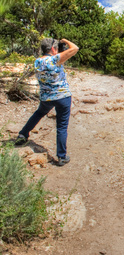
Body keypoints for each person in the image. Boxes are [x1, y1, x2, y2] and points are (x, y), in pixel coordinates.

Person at [15, 38, 79, 166]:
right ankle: (61, 157)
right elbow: (75, 48)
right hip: (62, 97)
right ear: (53, 49)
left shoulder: (37, 62)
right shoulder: (55, 59)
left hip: (46, 97)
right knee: (61, 127)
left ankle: (23, 135)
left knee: (38, 114)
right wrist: (65, 40)